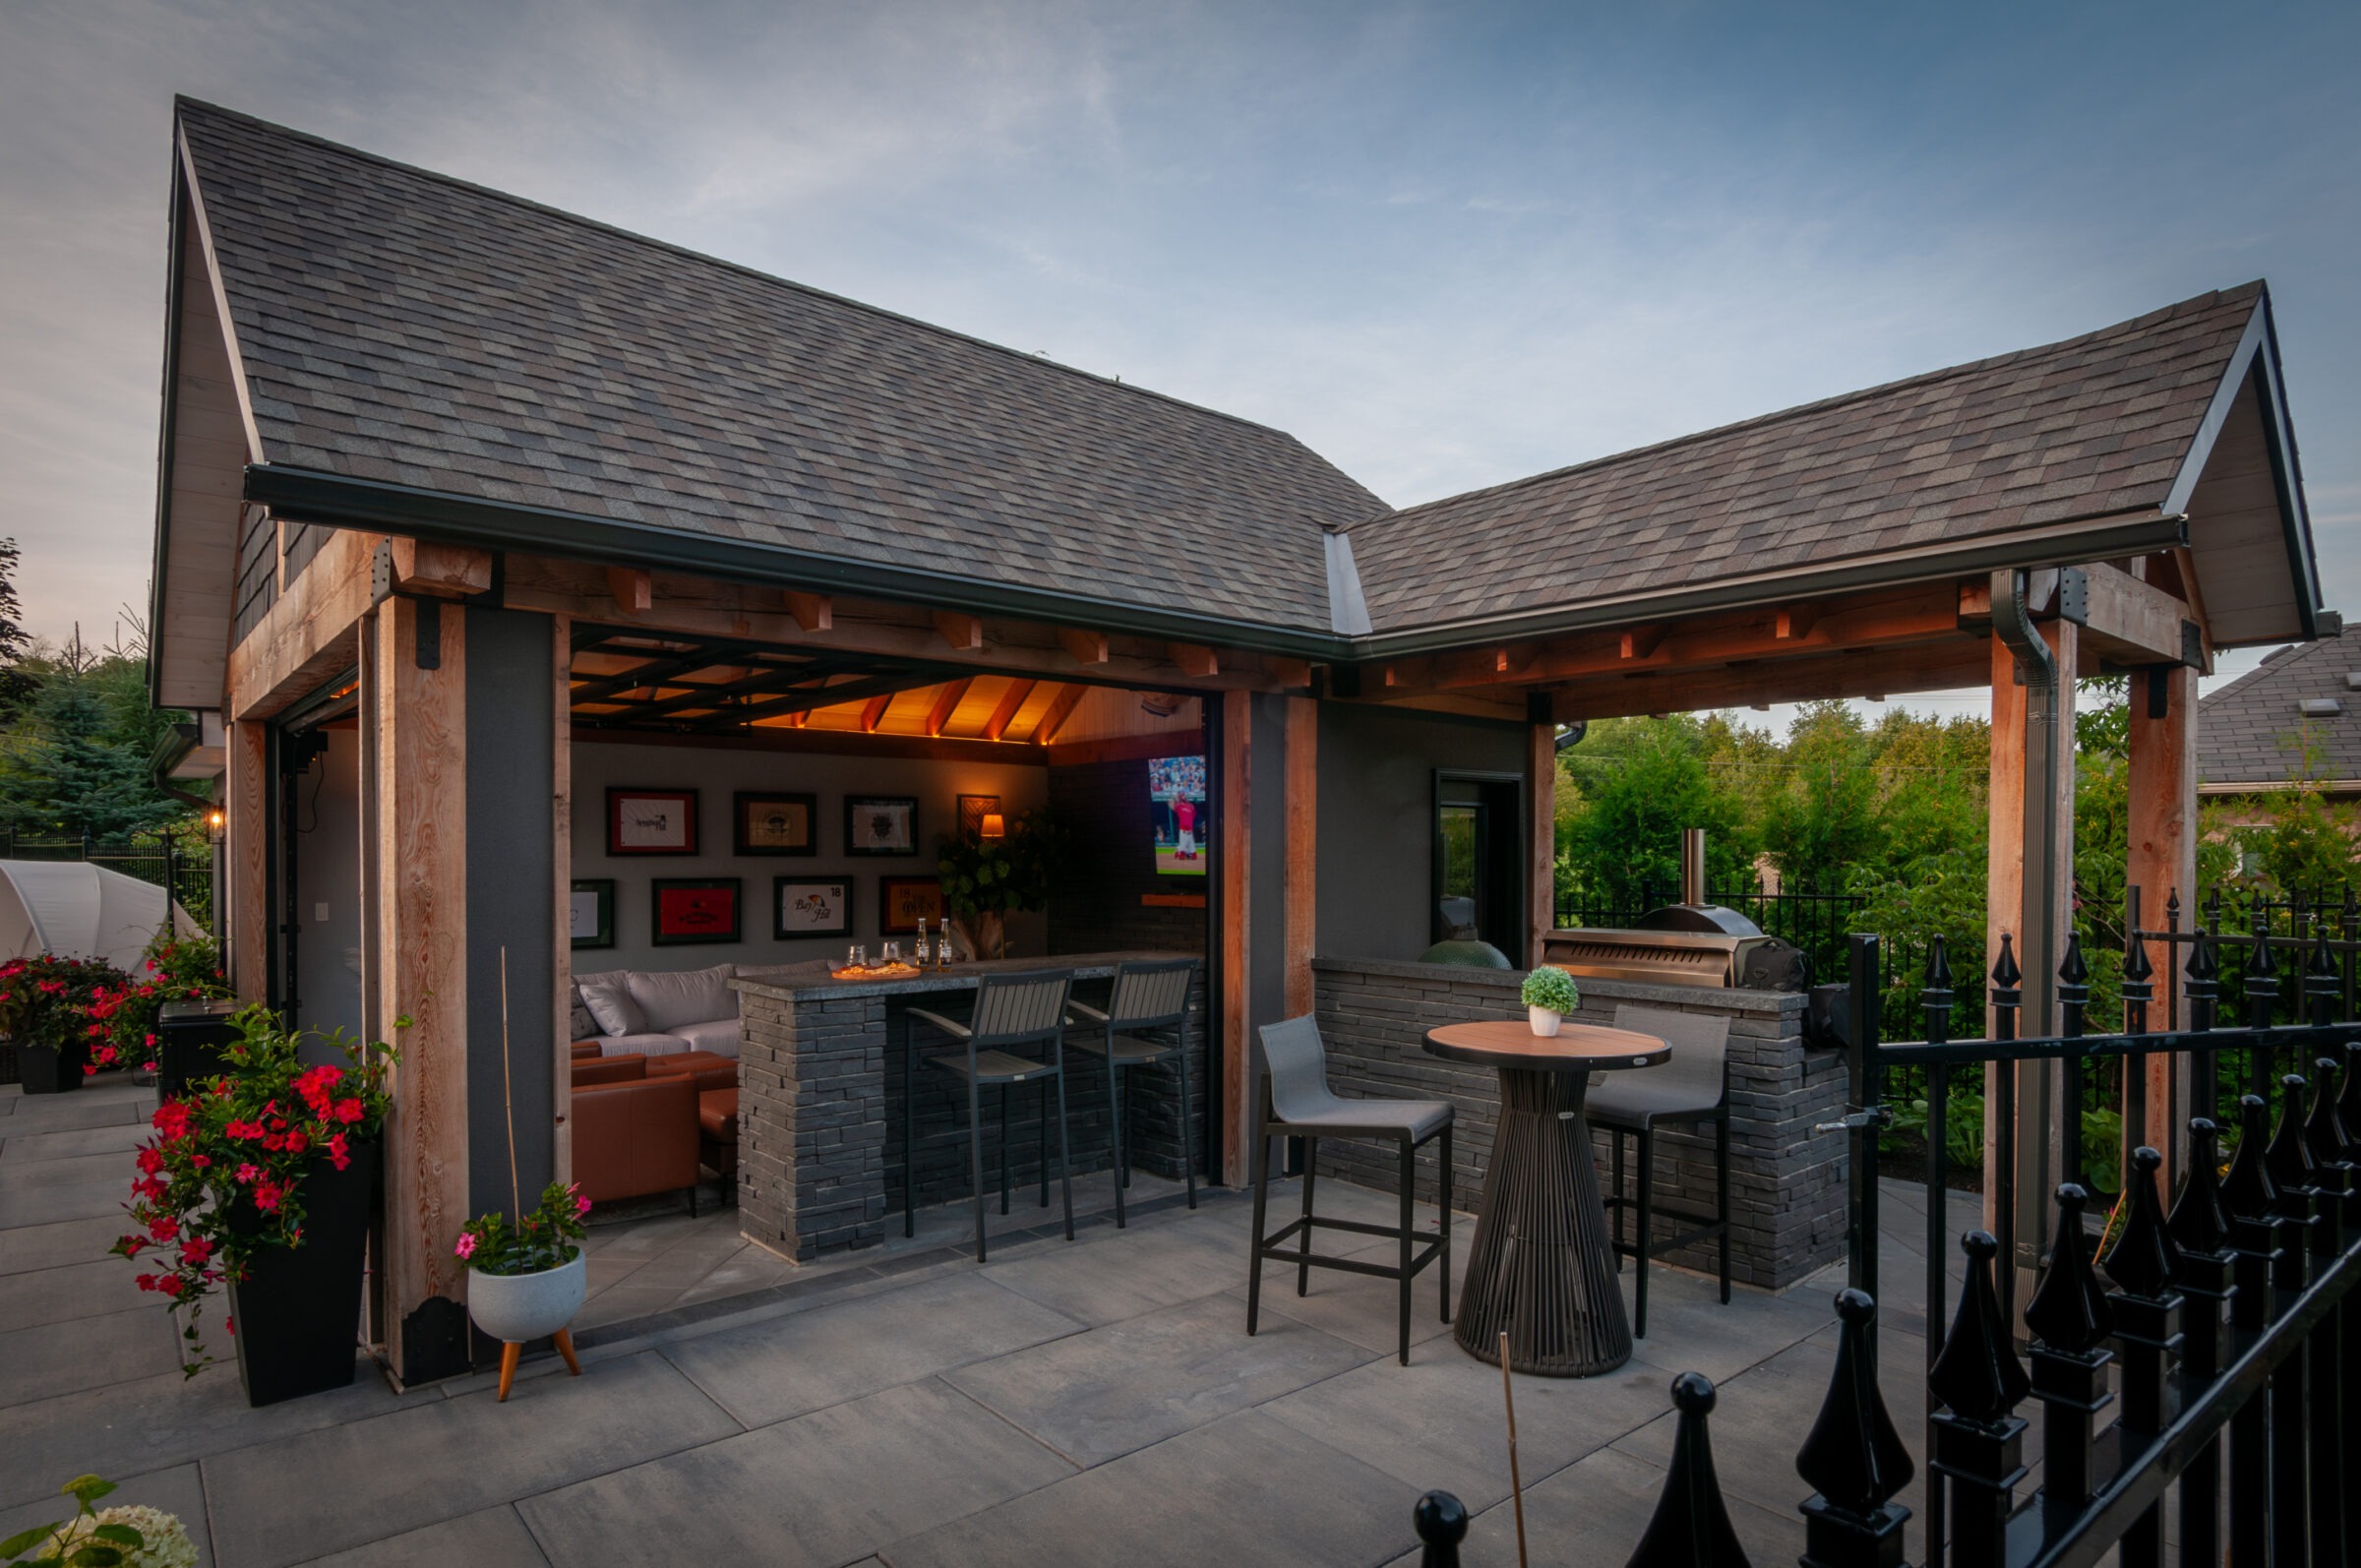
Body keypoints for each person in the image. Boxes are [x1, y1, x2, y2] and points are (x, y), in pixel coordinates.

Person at [1175, 795, 1198, 860]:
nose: (1184, 798)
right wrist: (1178, 800)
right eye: (1183, 797)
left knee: (1192, 850)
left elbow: (1193, 815)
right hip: (1183, 829)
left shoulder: (1190, 807)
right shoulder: (1179, 806)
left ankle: (1179, 851)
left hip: (1190, 829)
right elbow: (1175, 807)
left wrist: (1188, 804)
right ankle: (1179, 852)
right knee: (1183, 845)